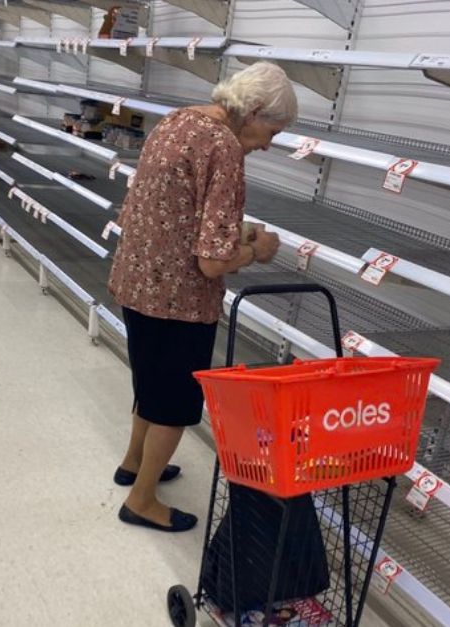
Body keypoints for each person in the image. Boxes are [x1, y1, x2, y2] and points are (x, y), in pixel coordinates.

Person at [107, 62, 298, 532]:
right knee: (173, 404)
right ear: (253, 110)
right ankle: (142, 500)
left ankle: (134, 462)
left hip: (137, 280)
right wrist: (257, 250)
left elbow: (176, 210)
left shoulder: (177, 120)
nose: (268, 144)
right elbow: (212, 262)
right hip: (179, 300)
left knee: (149, 384)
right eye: (272, 131)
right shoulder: (225, 147)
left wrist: (238, 232)